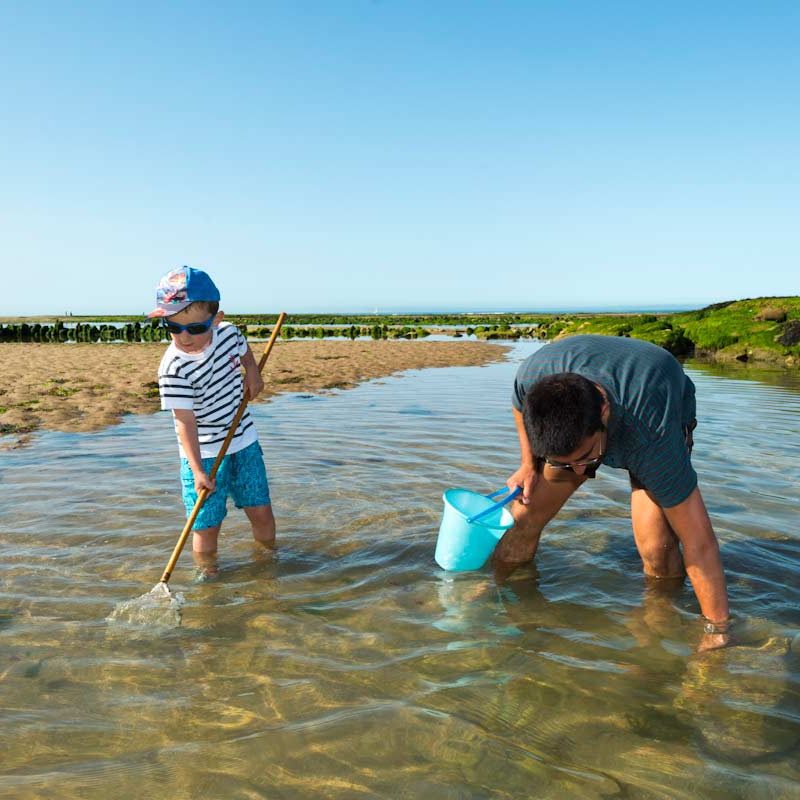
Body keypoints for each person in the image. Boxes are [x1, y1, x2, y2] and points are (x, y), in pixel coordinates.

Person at [495, 334, 730, 651]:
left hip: (655, 405)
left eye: (586, 459)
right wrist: (527, 464)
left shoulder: (653, 437)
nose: (581, 474)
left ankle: (657, 622)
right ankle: (503, 594)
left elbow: (699, 542)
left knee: (657, 551)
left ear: (604, 411)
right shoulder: (533, 377)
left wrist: (717, 631)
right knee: (522, 515)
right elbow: (518, 405)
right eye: (567, 463)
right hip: (591, 410)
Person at [147, 266, 275, 571]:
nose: (184, 337)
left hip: (243, 440)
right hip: (202, 454)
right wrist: (198, 471)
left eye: (195, 328)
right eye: (173, 327)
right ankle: (207, 580)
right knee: (205, 526)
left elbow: (244, 351)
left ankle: (269, 564)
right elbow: (184, 423)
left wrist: (253, 373)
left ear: (215, 320)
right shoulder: (173, 368)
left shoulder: (228, 333)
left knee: (261, 511)